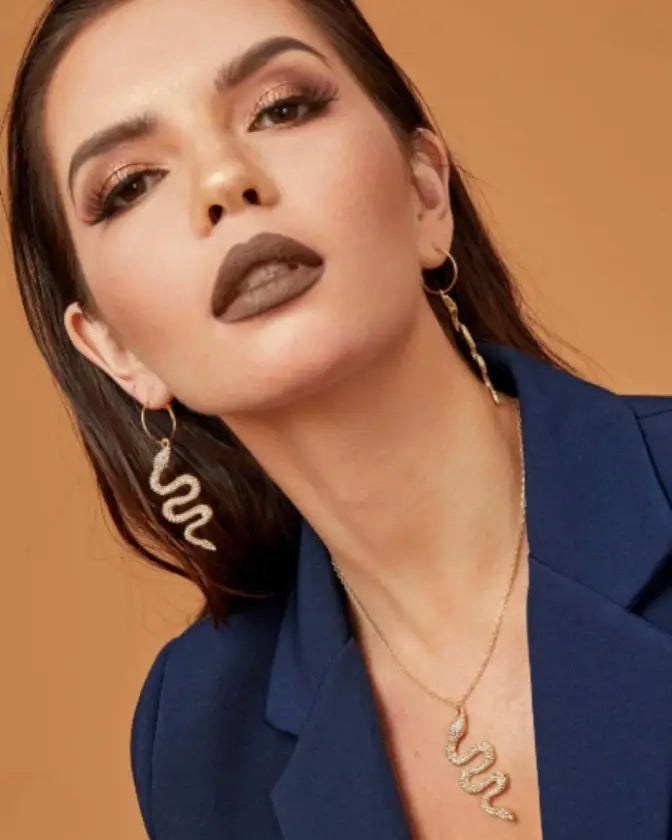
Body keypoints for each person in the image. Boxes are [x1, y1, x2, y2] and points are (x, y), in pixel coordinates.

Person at [5, 0, 672, 838]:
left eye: (280, 108)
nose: (224, 183)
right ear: (114, 351)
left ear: (425, 191)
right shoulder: (201, 737)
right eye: (131, 185)